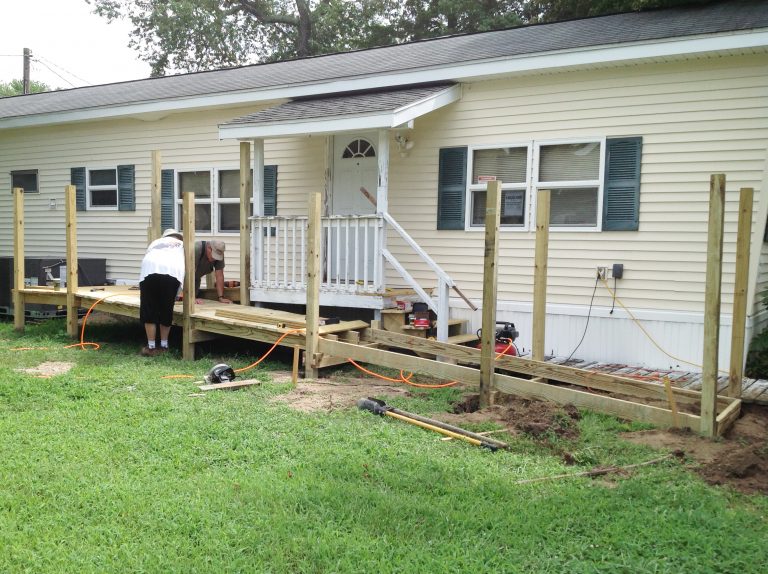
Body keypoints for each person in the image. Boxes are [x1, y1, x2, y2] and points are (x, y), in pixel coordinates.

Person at [138, 229, 185, 356]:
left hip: (149, 271)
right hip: (172, 273)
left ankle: (151, 346)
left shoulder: (155, 242)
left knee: (149, 308)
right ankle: (164, 345)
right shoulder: (182, 245)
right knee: (166, 307)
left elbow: (148, 256)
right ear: (178, 237)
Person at [194, 240, 232, 304]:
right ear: (209, 248)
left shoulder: (219, 254)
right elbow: (187, 274)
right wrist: (191, 297)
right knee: (178, 302)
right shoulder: (196, 249)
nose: (215, 259)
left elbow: (219, 276)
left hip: (196, 279)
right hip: (181, 280)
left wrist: (221, 297)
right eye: (214, 255)